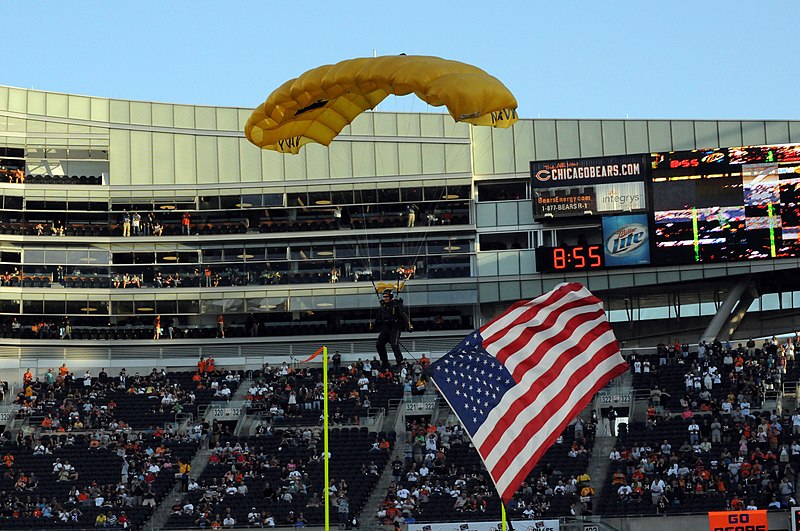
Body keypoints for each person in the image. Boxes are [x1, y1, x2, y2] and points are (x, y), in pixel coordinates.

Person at [375, 289, 411, 368]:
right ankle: (385, 361)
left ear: (390, 297)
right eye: (383, 297)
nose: (384, 298)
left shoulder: (396, 305)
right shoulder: (382, 307)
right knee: (379, 344)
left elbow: (403, 315)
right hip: (386, 328)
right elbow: (378, 318)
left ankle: (399, 361)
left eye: (386, 297)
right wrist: (374, 325)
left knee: (394, 344)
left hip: (395, 328)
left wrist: (408, 325)